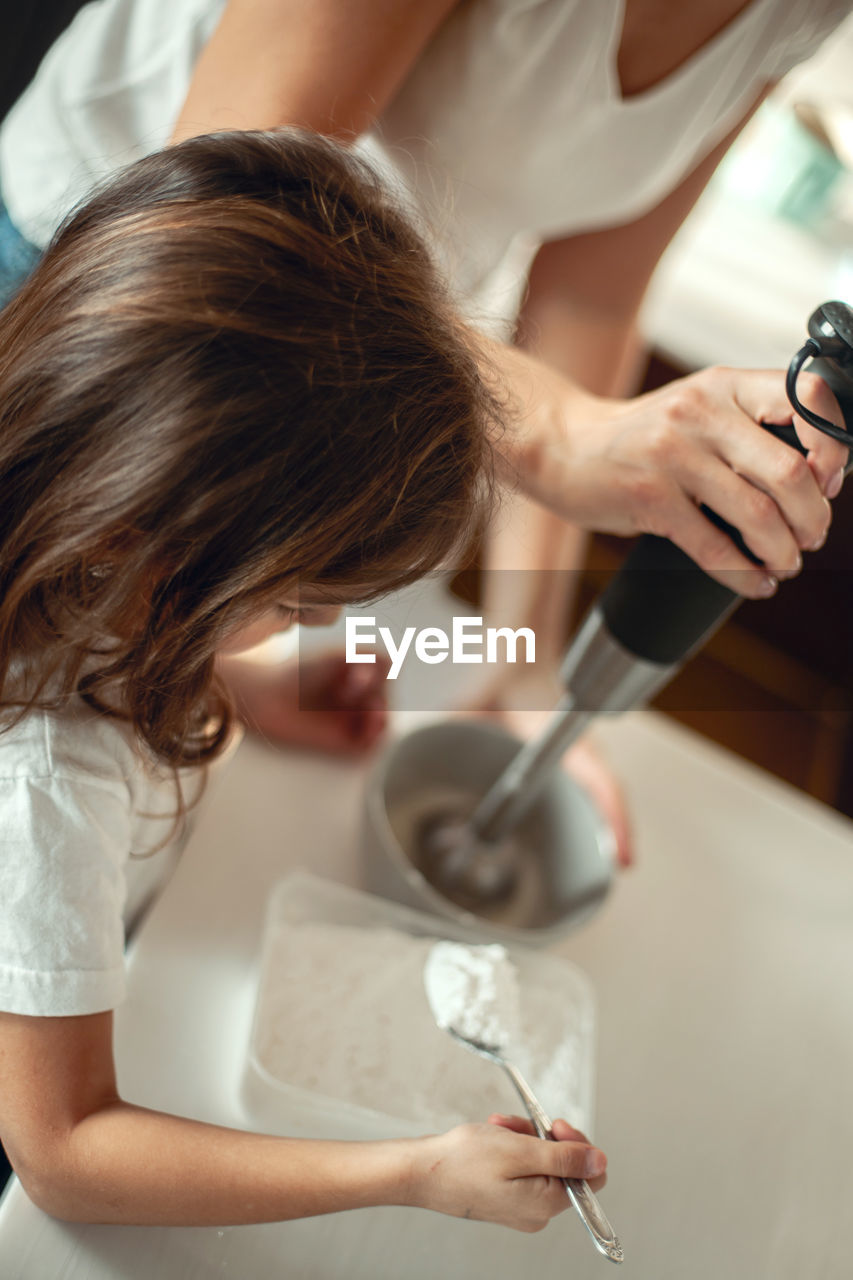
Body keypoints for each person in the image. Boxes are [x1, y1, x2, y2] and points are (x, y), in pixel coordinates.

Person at [0, 3, 849, 809]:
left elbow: (590, 297)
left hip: (336, 381)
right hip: (125, 301)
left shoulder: (798, 12)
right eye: (298, 607)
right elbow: (232, 218)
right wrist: (555, 435)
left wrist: (520, 661)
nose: (324, 622)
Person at [0, 128, 607, 1228]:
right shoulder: (49, 785)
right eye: (295, 602)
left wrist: (240, 685)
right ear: (161, 541)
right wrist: (415, 1170)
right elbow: (64, 1145)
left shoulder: (89, 557)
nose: (313, 629)